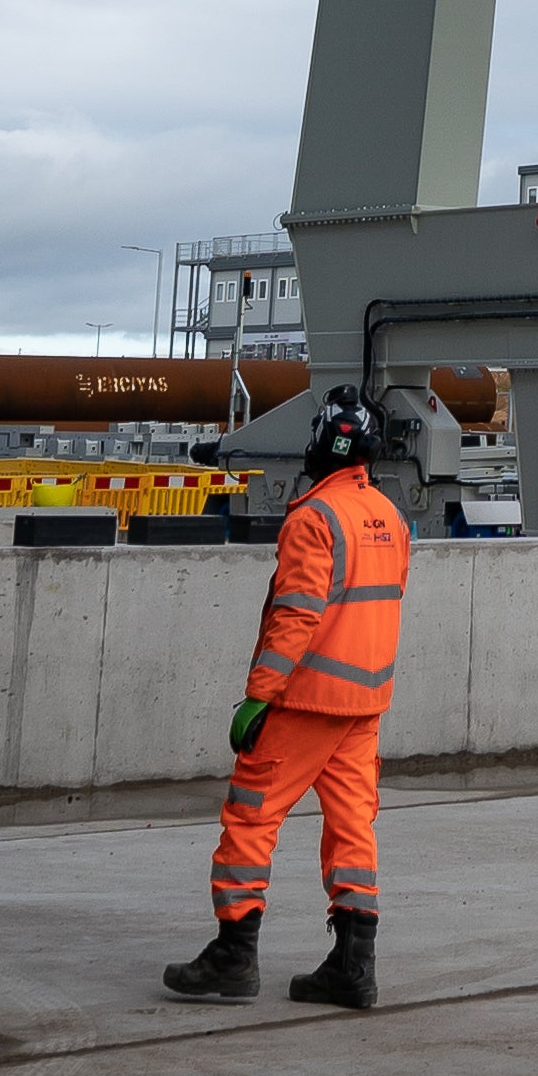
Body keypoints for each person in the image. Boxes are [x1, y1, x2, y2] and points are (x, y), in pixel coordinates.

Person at [163, 387, 414, 1011]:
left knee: (251, 818)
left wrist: (258, 697)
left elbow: (297, 614)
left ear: (320, 443)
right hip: (364, 704)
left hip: (305, 702)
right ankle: (353, 968)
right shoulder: (388, 514)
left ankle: (232, 956)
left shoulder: (314, 517)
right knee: (353, 828)